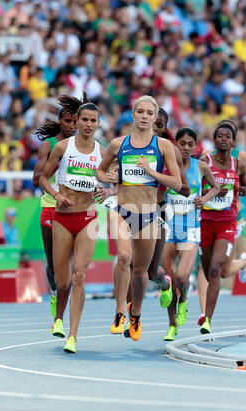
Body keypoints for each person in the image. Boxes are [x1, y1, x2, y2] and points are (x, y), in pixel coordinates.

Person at [96, 95, 181, 342]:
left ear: (155, 119)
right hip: (121, 209)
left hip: (148, 214)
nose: (144, 116)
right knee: (124, 257)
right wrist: (108, 177)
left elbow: (176, 183)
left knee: (141, 272)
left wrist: (151, 171)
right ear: (133, 115)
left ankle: (136, 315)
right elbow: (100, 171)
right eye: (140, 112)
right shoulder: (118, 144)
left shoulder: (164, 147)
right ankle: (119, 311)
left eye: (149, 113)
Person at [39, 101, 105, 353]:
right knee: (62, 279)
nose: (88, 125)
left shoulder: (102, 152)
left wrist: (107, 189)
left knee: (79, 275)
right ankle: (58, 318)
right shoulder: (63, 148)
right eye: (84, 120)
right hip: (63, 218)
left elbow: (116, 179)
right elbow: (43, 178)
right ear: (77, 121)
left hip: (88, 217)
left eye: (93, 120)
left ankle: (73, 335)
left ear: (98, 124)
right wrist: (57, 195)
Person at [120, 107, 190, 334]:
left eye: (159, 125)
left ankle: (165, 282)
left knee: (150, 272)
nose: (153, 127)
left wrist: (157, 175)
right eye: (150, 122)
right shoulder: (130, 146)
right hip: (129, 210)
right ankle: (131, 318)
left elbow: (185, 189)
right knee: (129, 263)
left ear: (163, 127)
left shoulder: (169, 150)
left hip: (157, 211)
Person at [197, 119, 246, 326]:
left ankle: (206, 319)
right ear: (214, 139)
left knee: (216, 268)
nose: (223, 139)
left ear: (234, 141)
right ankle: (242, 264)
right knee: (209, 272)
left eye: (228, 136)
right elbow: (194, 188)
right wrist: (212, 191)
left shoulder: (239, 163)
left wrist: (242, 191)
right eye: (220, 136)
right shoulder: (205, 160)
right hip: (205, 221)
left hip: (227, 221)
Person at [161, 128, 219, 341]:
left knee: (182, 277)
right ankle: (171, 324)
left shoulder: (201, 167)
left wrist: (204, 199)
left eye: (189, 144)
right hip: (168, 229)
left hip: (190, 230)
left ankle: (184, 299)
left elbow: (215, 187)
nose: (185, 148)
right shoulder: (167, 167)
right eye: (182, 144)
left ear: (195, 146)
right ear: (176, 144)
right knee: (169, 281)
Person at [33, 94, 87, 320]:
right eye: (67, 121)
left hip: (76, 210)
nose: (72, 126)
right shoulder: (49, 145)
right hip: (51, 208)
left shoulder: (85, 145)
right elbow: (37, 179)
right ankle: (55, 292)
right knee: (54, 268)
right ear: (60, 121)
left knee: (74, 269)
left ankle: (62, 315)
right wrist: (61, 165)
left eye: (76, 121)